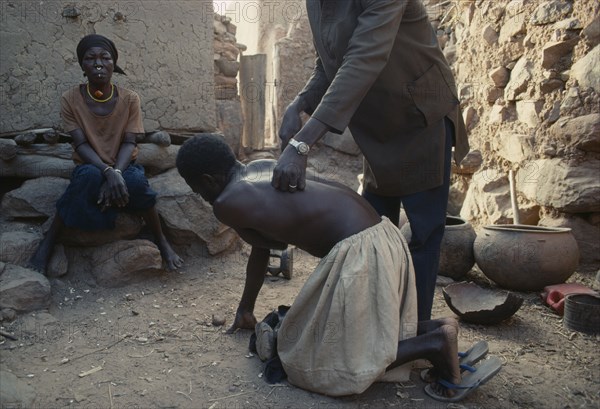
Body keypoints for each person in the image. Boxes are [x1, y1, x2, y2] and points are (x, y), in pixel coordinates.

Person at [176, 134, 500, 401]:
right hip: (384, 235)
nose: (200, 196)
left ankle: (434, 344)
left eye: (196, 189)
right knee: (335, 335)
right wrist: (245, 309)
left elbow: (271, 246)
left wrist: (249, 300)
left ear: (208, 179)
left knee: (318, 359)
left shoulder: (227, 201)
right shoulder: (261, 166)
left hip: (360, 253)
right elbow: (262, 248)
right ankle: (435, 328)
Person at [271, 0, 469, 322]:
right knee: (372, 231)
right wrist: (300, 103)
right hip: (379, 127)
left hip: (421, 115)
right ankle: (373, 325)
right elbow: (330, 63)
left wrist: (302, 143)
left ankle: (413, 335)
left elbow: (364, 58)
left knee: (422, 235)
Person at [29, 34, 183, 274]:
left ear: (114, 63)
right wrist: (107, 172)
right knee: (87, 178)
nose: (98, 64)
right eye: (91, 58)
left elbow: (129, 141)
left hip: (123, 165)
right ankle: (48, 243)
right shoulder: (70, 99)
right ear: (82, 65)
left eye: (105, 58)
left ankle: (162, 240)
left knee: (136, 183)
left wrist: (117, 173)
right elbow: (80, 144)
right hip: (91, 166)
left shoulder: (130, 98)